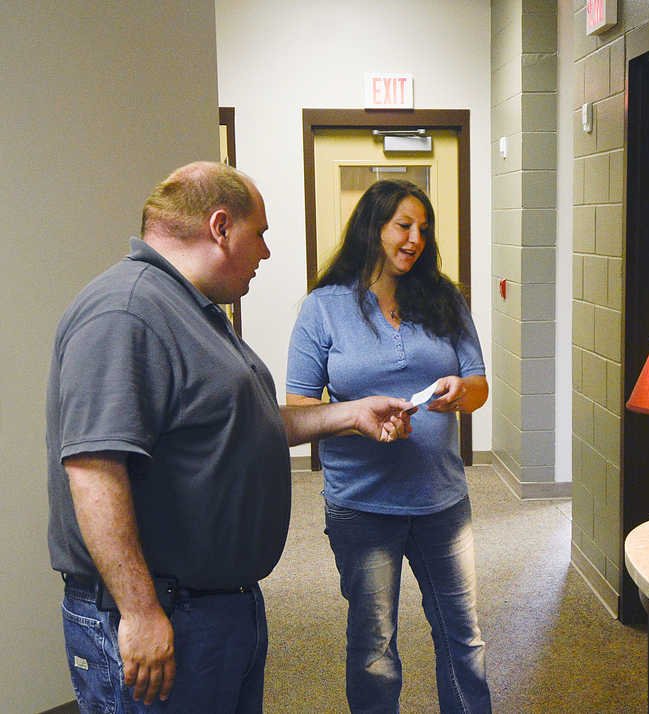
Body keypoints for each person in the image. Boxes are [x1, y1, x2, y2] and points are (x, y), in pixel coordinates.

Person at [46, 161, 413, 713]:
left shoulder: (195, 311)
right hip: (164, 612)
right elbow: (94, 469)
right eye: (259, 234)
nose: (265, 252)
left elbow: (248, 421)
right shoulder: (127, 312)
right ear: (220, 227)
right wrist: (142, 612)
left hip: (217, 608)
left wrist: (350, 413)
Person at [286, 179, 491, 713]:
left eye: (423, 228)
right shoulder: (323, 308)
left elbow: (479, 385)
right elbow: (297, 411)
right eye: (404, 225)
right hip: (362, 505)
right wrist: (356, 419)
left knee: (463, 640)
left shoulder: (443, 297)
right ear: (373, 228)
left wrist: (459, 392)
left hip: (442, 501)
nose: (415, 238)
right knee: (375, 653)